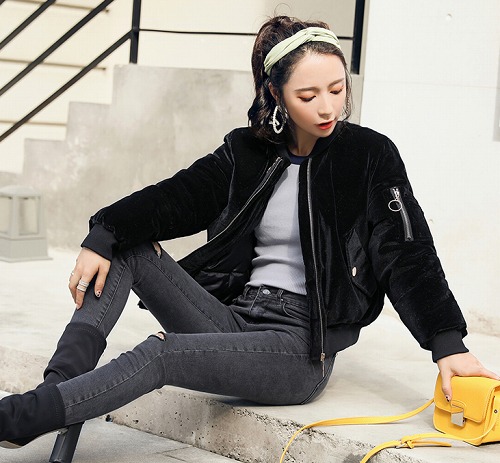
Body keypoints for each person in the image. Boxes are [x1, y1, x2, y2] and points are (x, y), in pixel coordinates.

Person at [1, 15, 498, 450]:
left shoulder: (368, 156)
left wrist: (447, 343)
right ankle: (55, 391)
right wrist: (102, 234)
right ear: (276, 93)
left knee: (160, 352)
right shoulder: (248, 151)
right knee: (125, 248)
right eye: (308, 96)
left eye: (337, 89)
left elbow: (406, 251)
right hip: (234, 318)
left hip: (298, 348)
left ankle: (24, 418)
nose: (328, 107)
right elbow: (179, 196)